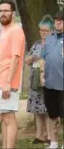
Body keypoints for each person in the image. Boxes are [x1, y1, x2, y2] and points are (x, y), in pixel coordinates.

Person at [0, 0, 26, 148]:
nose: (3, 14)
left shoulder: (16, 30)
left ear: (13, 13)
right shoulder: (5, 30)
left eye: (6, 11)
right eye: (0, 11)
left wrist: (8, 83)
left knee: (9, 118)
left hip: (7, 82)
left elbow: (15, 58)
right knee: (3, 117)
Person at [26, 15, 53, 145]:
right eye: (41, 30)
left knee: (48, 109)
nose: (43, 32)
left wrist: (41, 60)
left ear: (51, 31)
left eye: (46, 30)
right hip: (35, 80)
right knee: (37, 109)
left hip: (49, 79)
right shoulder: (36, 44)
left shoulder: (54, 44)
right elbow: (28, 59)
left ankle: (49, 135)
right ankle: (39, 135)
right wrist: (30, 59)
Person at [40, 10, 64, 149]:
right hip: (49, 84)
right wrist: (42, 76)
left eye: (61, 20)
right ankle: (54, 143)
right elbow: (42, 58)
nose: (58, 22)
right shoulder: (49, 37)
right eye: (56, 20)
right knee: (52, 115)